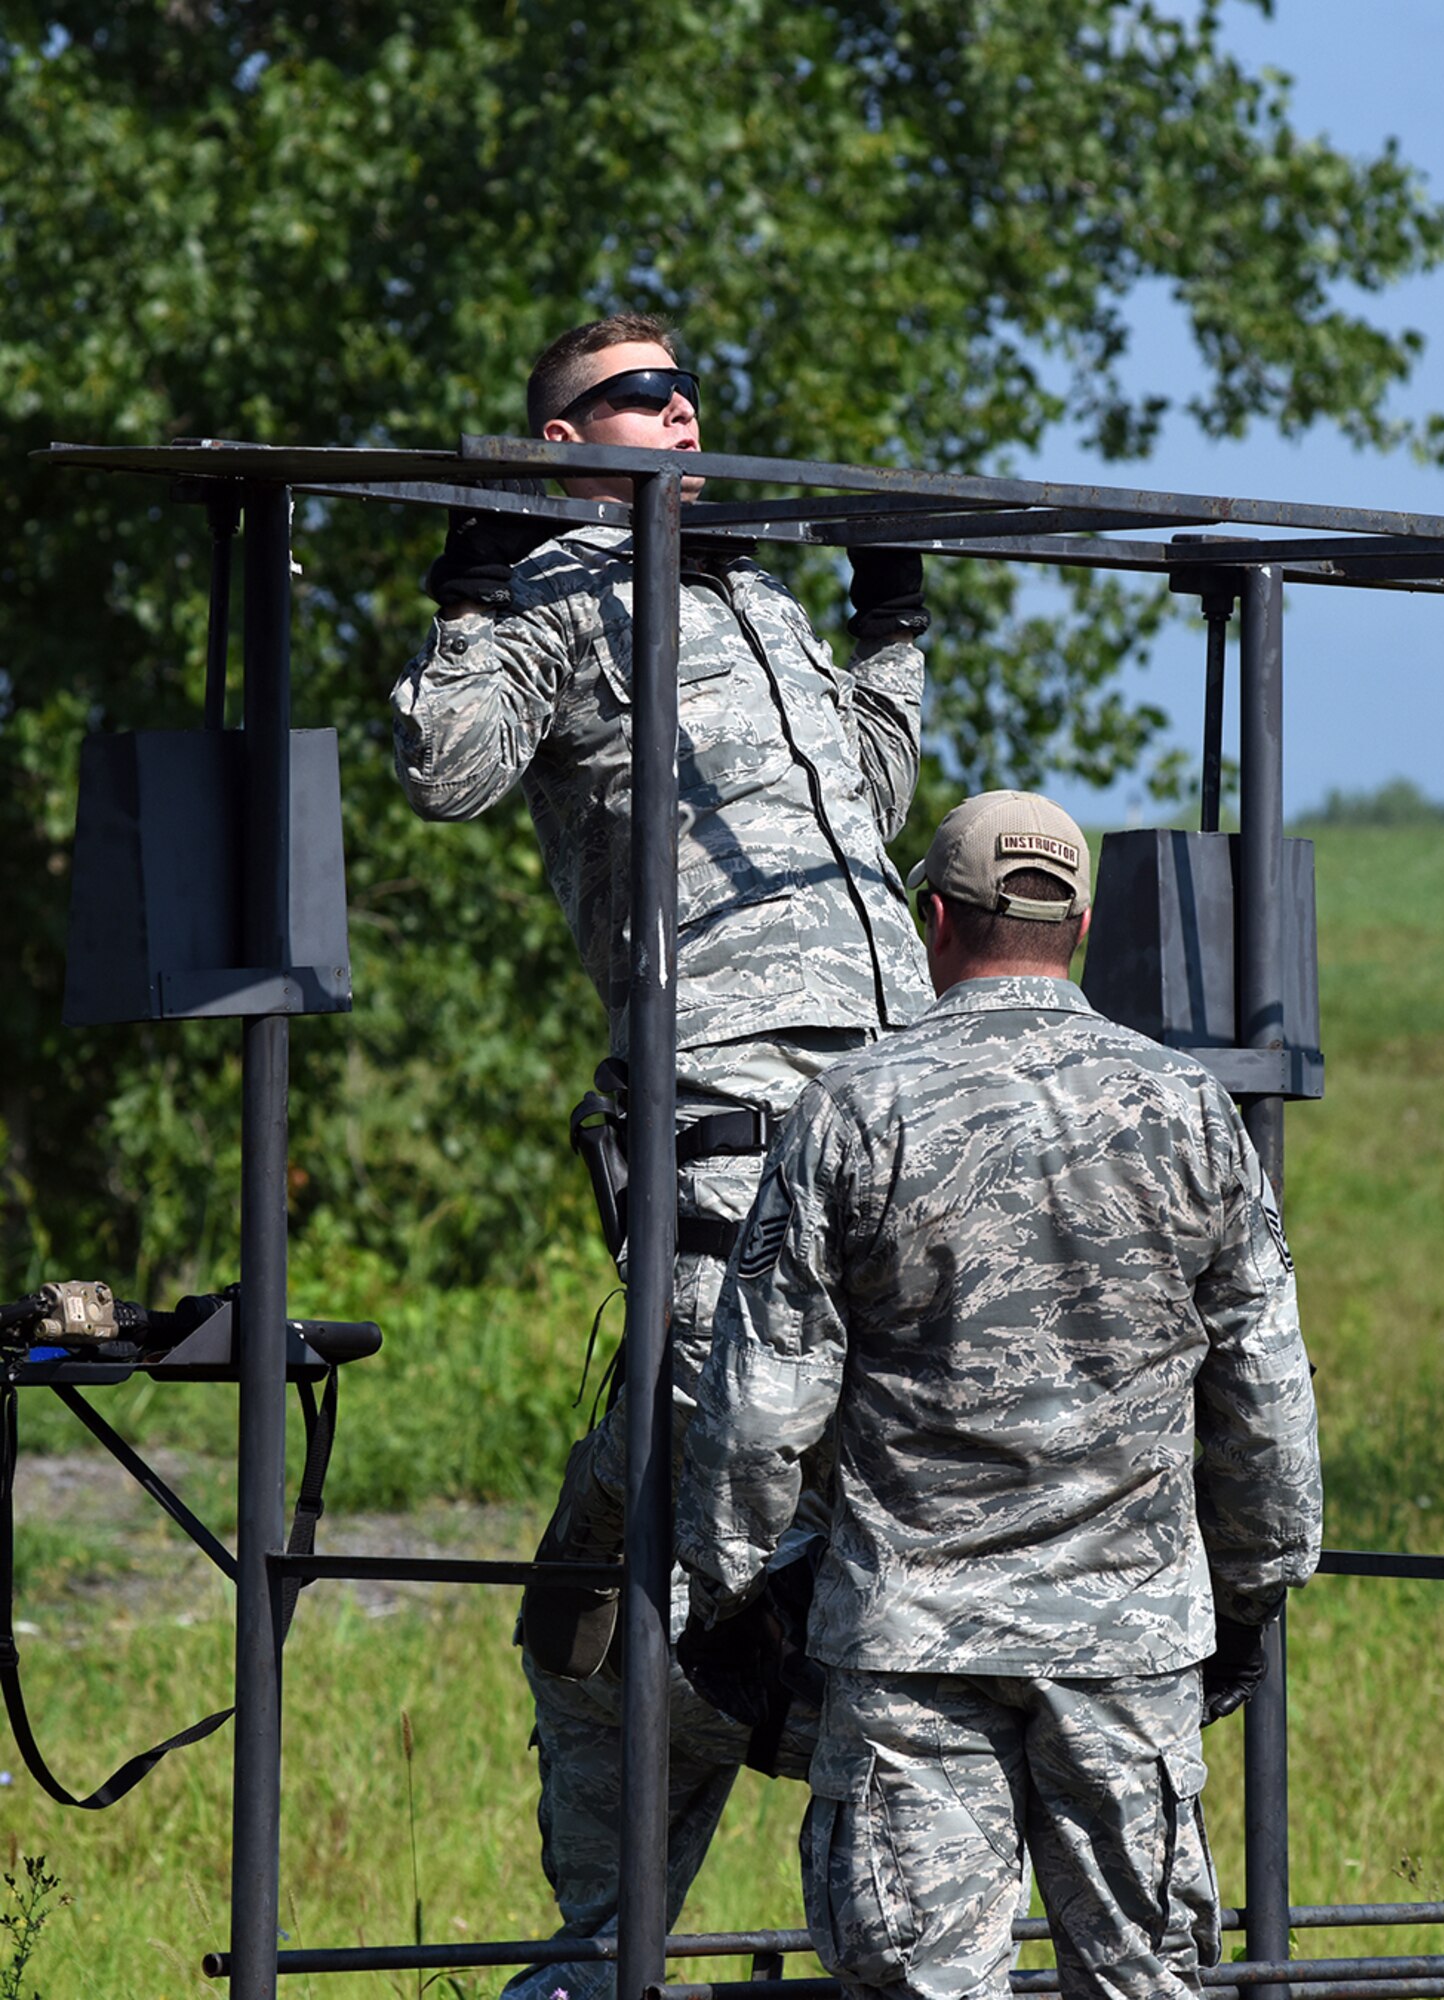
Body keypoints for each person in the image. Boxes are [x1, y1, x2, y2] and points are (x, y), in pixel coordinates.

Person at [389, 312, 934, 1998]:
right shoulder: (560, 597)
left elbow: (871, 792)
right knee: (682, 1565)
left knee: (749, 1550)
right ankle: (610, 1954)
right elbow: (445, 771)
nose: (677, 407)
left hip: (895, 1111)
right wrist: (469, 593)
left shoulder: (752, 593)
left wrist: (889, 626)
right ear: (559, 445)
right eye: (632, 394)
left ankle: (886, 1943)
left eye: (683, 382)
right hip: (728, 1128)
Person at [676, 789, 1323, 2000]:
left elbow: (763, 1403)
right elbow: (1263, 1390)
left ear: (934, 918)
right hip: (1127, 1650)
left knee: (922, 1983)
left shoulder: (850, 1111)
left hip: (909, 1650)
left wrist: (725, 1583)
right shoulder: (1187, 1111)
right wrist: (1250, 1588)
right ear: (1077, 925)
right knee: (1142, 1983)